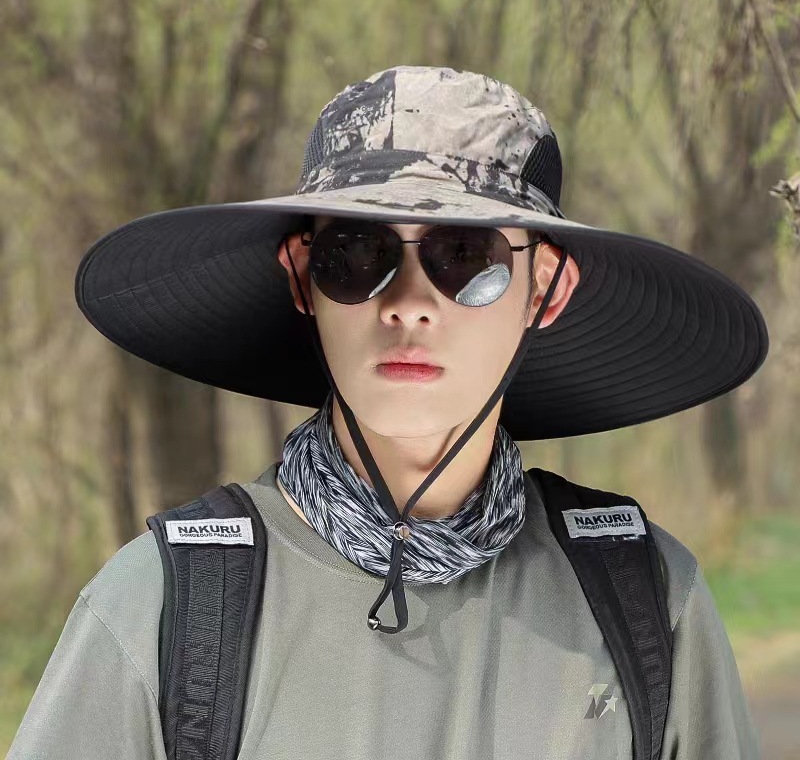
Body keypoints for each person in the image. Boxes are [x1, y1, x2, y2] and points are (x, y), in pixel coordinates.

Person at [8, 65, 765, 759]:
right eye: (357, 254)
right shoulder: (162, 609)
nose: (408, 304)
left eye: (464, 256)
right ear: (302, 278)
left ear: (545, 289)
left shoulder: (646, 602)